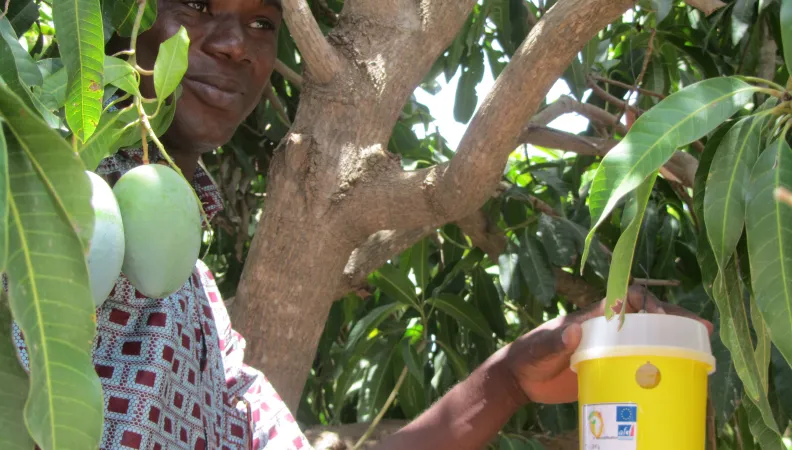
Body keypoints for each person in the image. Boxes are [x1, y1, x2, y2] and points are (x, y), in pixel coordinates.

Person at [12, 0, 714, 449]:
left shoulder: (192, 298)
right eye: (197, 5)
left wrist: (509, 379)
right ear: (114, 18)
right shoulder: (36, 198)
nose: (235, 45)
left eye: (262, 22)